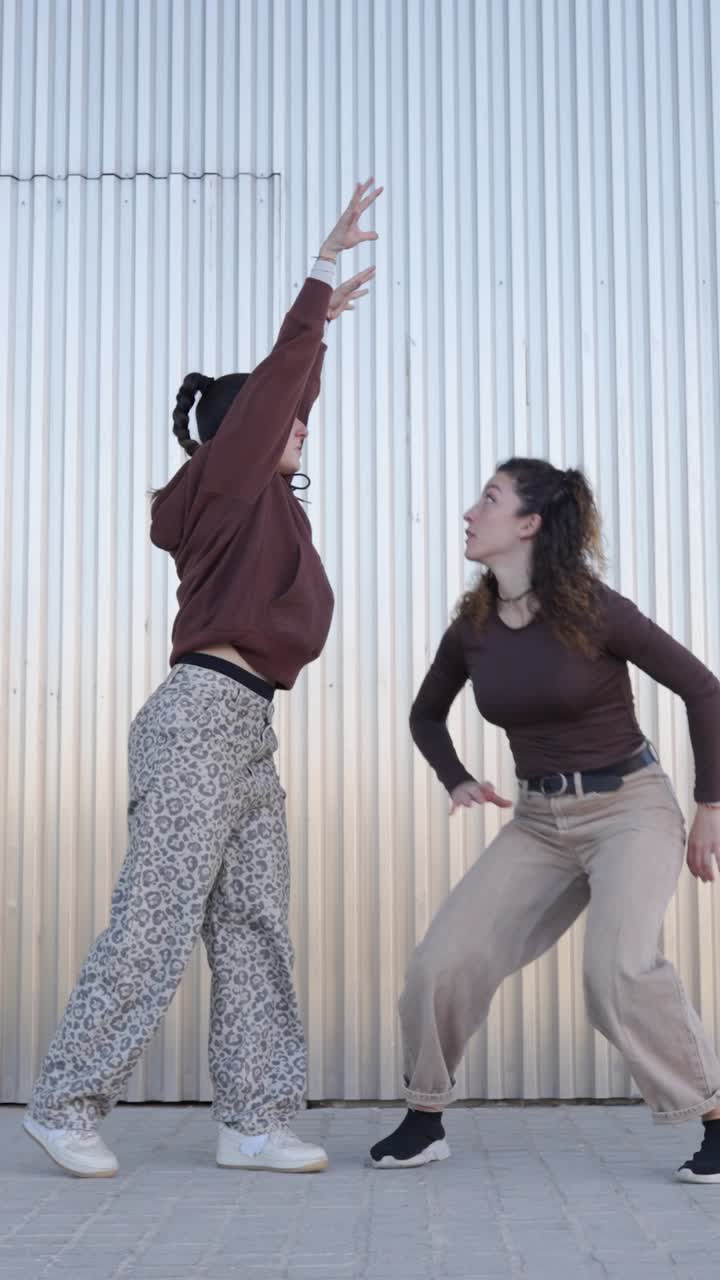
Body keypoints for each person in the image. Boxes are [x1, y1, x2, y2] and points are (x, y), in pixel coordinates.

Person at [24, 180, 382, 1178]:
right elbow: (278, 392)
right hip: (198, 718)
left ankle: (254, 1120)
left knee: (256, 922)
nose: (301, 425)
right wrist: (316, 283)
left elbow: (288, 392)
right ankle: (63, 1102)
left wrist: (317, 339)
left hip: (248, 728)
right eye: (283, 418)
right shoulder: (226, 486)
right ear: (240, 437)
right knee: (157, 916)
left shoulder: (265, 507)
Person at [370, 457, 720, 1182]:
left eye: (488, 500)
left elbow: (704, 689)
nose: (470, 513)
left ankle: (713, 1115)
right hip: (538, 823)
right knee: (441, 963)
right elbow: (425, 715)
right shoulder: (473, 628)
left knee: (616, 970)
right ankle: (424, 1118)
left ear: (529, 523)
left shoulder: (596, 609)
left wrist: (710, 805)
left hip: (629, 809)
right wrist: (457, 777)